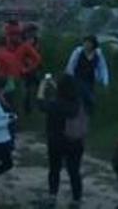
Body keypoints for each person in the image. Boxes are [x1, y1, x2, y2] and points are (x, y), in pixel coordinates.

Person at [38, 74, 87, 205]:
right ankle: (76, 199)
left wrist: (42, 86)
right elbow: (67, 94)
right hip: (76, 142)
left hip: (57, 142)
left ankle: (52, 196)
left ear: (60, 88)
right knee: (74, 171)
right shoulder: (77, 102)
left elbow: (41, 105)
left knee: (54, 169)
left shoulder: (56, 104)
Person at [64, 35, 109, 112]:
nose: (86, 44)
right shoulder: (78, 52)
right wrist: (69, 78)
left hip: (90, 79)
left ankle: (86, 115)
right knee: (85, 97)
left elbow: (102, 67)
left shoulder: (98, 54)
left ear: (93, 44)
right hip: (77, 78)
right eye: (85, 42)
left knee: (88, 100)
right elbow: (71, 65)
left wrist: (105, 81)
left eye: (89, 43)